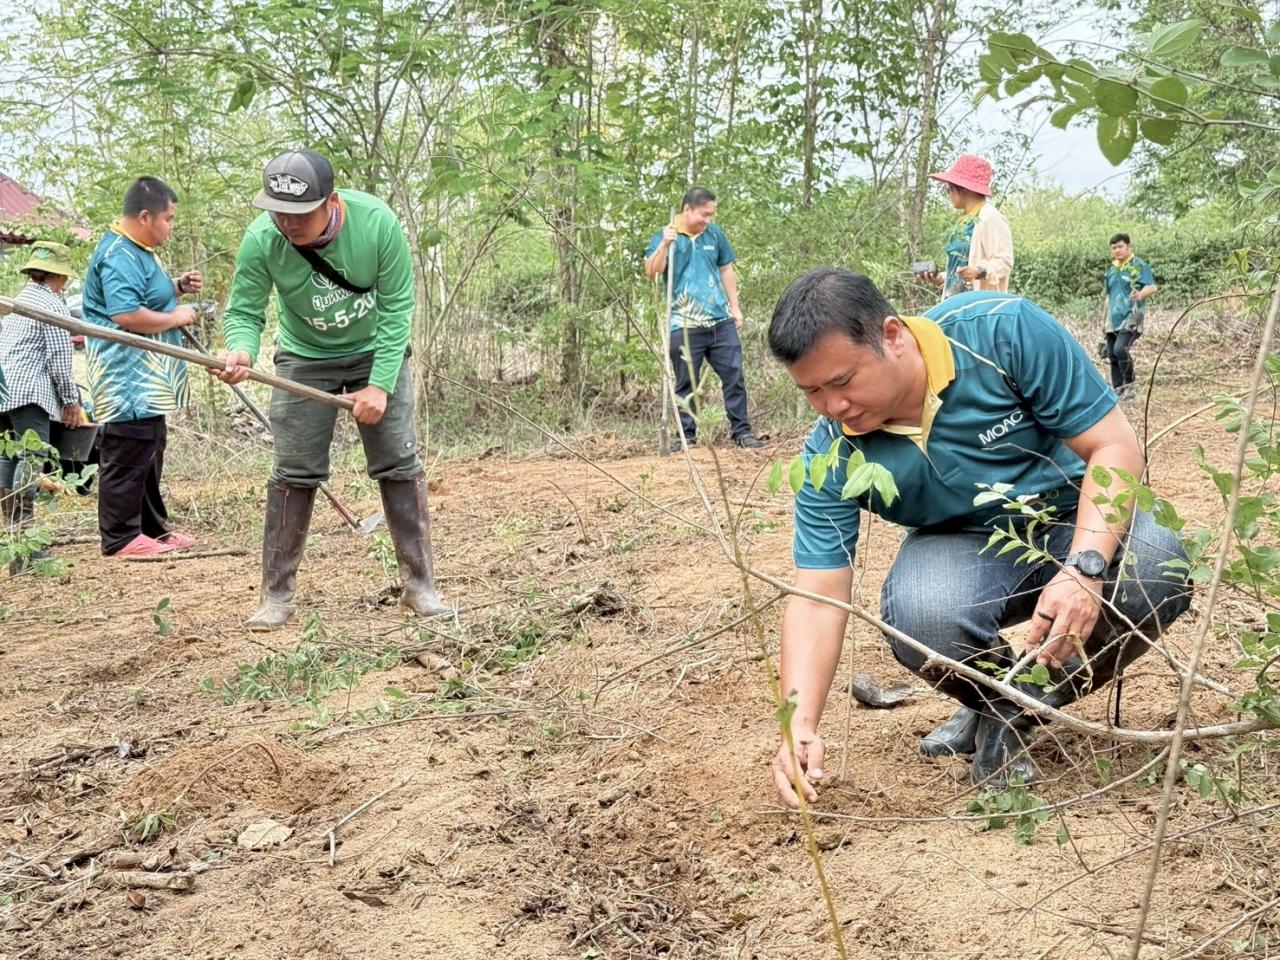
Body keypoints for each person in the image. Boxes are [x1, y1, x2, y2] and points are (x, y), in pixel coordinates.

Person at [765, 269, 1192, 808]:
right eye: (812, 393)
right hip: (960, 545)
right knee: (922, 615)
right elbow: (818, 594)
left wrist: (1085, 567)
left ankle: (1020, 705)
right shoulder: (832, 453)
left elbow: (1114, 446)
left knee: (1159, 564)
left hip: (1073, 518)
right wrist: (797, 723)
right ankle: (995, 705)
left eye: (843, 381)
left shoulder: (1000, 332)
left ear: (892, 335)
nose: (833, 407)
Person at [216, 149, 449, 630]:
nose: (288, 223)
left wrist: (380, 385)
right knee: (293, 468)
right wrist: (240, 349)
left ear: (332, 201)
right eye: (278, 212)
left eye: (300, 213)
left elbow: (398, 308)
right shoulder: (262, 238)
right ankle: (276, 595)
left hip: (375, 349)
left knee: (399, 462)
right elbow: (244, 311)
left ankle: (420, 585)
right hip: (303, 356)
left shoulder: (377, 224)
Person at [81, 176, 203, 558]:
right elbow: (125, 312)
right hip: (125, 376)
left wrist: (176, 287)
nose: (171, 226)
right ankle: (119, 536)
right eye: (168, 219)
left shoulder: (138, 249)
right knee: (128, 448)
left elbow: (145, 292)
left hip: (148, 377)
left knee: (150, 446)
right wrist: (177, 317)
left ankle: (151, 528)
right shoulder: (118, 253)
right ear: (146, 216)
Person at [643, 187, 763, 449]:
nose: (708, 219)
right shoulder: (667, 236)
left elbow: (726, 269)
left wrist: (735, 307)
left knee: (734, 376)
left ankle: (741, 432)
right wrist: (664, 243)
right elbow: (651, 272)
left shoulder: (714, 234)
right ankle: (687, 436)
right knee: (686, 382)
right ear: (687, 209)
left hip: (720, 320)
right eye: (704, 214)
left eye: (711, 214)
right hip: (683, 324)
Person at [0, 242, 85, 574]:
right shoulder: (52, 306)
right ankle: (30, 547)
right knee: (31, 461)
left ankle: (15, 545)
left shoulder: (17, 301)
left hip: (4, 390)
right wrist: (71, 402)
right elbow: (60, 362)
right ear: (59, 276)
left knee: (8, 457)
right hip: (29, 393)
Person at [919, 154, 1013, 299]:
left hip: (978, 308)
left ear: (963, 189)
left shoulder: (991, 218)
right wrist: (940, 278)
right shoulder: (963, 222)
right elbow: (959, 271)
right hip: (954, 305)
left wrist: (979, 271)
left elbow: (1005, 261)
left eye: (950, 189)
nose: (949, 194)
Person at [1102, 233, 1157, 400]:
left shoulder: (1137, 265)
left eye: (1120, 247)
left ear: (1128, 247)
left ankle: (1130, 385)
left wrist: (1140, 295)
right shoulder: (1112, 269)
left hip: (1132, 316)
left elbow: (1152, 287)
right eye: (1114, 248)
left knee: (1121, 349)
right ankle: (1118, 389)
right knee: (1112, 355)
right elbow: (1108, 297)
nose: (1117, 250)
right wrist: (1103, 319)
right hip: (1113, 319)